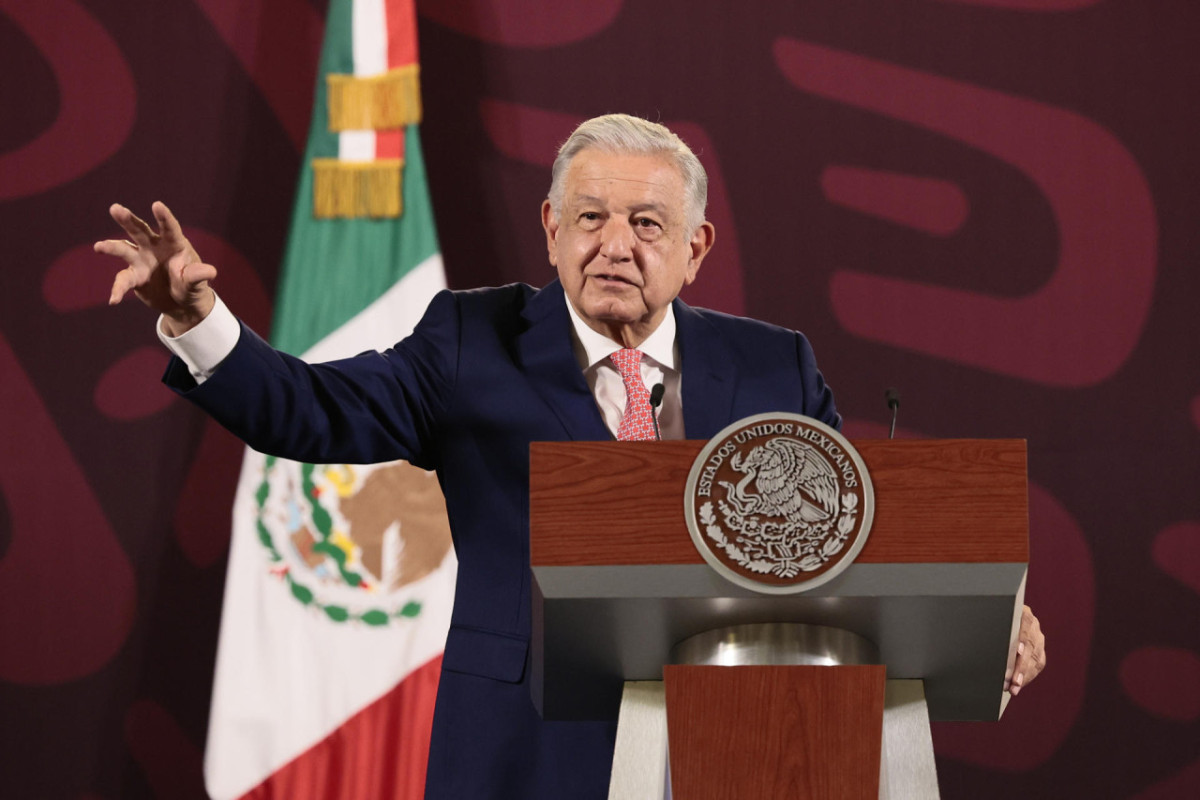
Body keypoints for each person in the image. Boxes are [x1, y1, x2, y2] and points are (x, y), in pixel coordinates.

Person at [97, 114, 1046, 798]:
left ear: (695, 248)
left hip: (753, 747)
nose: (615, 245)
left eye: (646, 225)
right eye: (589, 218)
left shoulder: (773, 363)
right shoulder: (472, 340)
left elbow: (855, 534)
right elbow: (310, 410)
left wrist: (990, 610)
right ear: (551, 231)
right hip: (524, 749)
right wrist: (197, 320)